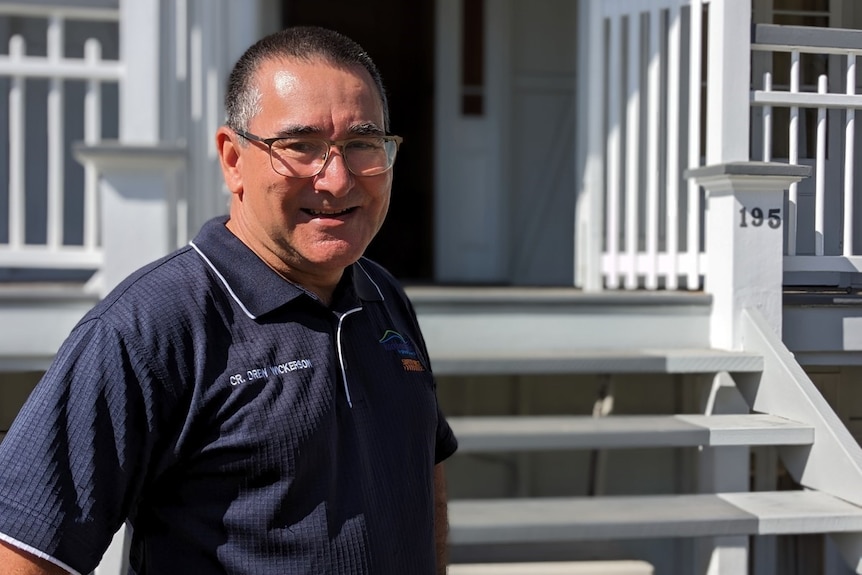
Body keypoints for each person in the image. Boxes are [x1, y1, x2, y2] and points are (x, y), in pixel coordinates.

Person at [0, 25, 457, 575]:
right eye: (301, 147)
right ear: (233, 159)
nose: (337, 179)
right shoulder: (147, 329)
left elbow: (422, 475)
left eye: (361, 144)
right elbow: (24, 556)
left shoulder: (382, 296)